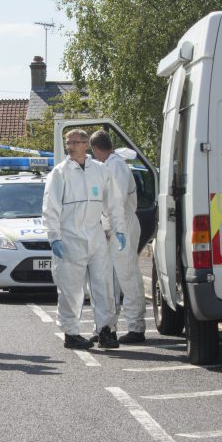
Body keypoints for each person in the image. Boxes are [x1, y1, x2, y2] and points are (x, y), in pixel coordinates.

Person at [43, 128, 126, 350]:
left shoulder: (100, 170)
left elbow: (114, 202)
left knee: (104, 286)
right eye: (68, 142)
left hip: (95, 235)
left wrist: (118, 229)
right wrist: (54, 238)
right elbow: (50, 208)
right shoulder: (59, 173)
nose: (69, 146)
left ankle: (106, 330)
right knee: (70, 288)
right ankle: (71, 333)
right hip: (70, 237)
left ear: (86, 144)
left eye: (75, 142)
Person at [89, 130, 147, 343]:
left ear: (95, 149)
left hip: (121, 223)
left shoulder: (115, 166)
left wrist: (112, 228)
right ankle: (107, 327)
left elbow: (116, 201)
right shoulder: (112, 164)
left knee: (126, 275)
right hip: (115, 224)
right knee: (111, 279)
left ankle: (136, 327)